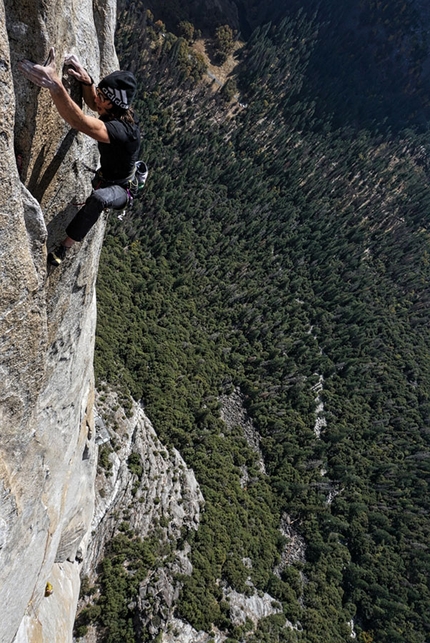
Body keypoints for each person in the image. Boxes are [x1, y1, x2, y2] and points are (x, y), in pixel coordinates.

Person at [19, 48, 141, 266]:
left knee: (99, 199)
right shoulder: (115, 110)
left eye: (103, 96)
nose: (97, 98)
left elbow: (80, 122)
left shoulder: (121, 132)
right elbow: (95, 104)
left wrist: (55, 85)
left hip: (121, 188)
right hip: (109, 175)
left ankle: (64, 247)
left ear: (114, 103)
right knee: (99, 194)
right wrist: (87, 82)